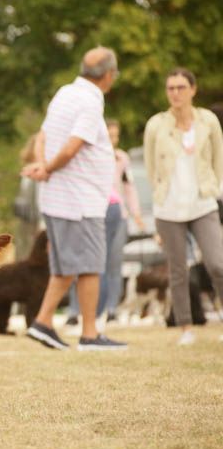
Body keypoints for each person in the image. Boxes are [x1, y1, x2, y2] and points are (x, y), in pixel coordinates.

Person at [22, 47, 127, 351]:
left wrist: (43, 166)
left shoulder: (65, 93)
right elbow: (71, 148)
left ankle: (42, 323)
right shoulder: (90, 102)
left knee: (65, 267)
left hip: (58, 198)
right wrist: (49, 167)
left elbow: (42, 136)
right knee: (90, 266)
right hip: (80, 202)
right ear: (108, 75)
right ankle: (90, 335)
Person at [144, 67, 223, 346]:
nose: (175, 93)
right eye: (171, 88)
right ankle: (185, 328)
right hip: (169, 208)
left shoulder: (208, 121)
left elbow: (218, 160)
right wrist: (159, 196)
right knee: (178, 270)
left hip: (203, 203)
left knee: (217, 263)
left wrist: (214, 189)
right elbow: (151, 165)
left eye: (180, 87)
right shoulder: (156, 124)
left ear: (193, 89)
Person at [65, 119, 146, 325]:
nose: (113, 140)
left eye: (115, 136)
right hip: (92, 214)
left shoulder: (121, 158)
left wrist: (135, 213)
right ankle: (75, 311)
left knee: (113, 264)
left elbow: (129, 187)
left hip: (118, 215)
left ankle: (111, 309)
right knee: (85, 264)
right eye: (109, 136)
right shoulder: (88, 155)